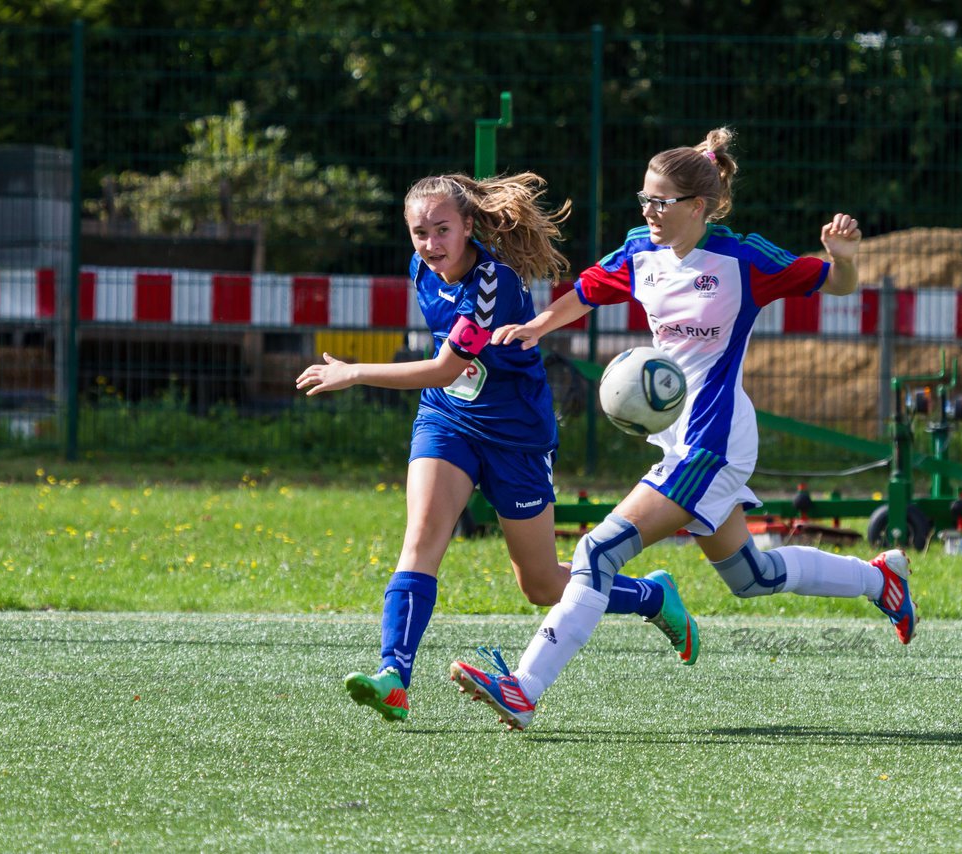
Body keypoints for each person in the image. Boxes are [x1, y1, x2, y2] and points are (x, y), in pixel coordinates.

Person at [447, 129, 917, 731]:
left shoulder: (744, 261)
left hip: (712, 441)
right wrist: (538, 326)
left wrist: (845, 259)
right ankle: (879, 580)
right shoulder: (642, 252)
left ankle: (524, 687)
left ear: (698, 206)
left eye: (661, 202)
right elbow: (588, 290)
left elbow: (836, 284)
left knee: (597, 551)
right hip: (680, 440)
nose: (649, 212)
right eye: (643, 200)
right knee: (753, 576)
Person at [295, 172, 700, 723]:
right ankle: (394, 675)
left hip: (516, 438)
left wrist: (354, 372)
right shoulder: (421, 268)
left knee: (540, 585)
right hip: (449, 421)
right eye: (419, 232)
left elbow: (444, 368)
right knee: (420, 541)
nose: (431, 243)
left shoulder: (494, 283)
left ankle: (652, 597)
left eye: (442, 229)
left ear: (467, 227)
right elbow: (448, 382)